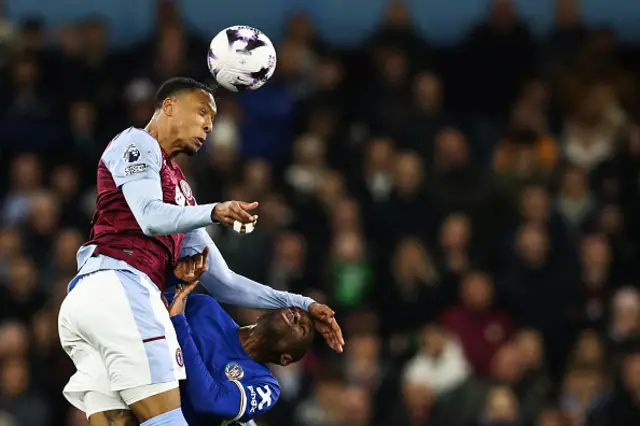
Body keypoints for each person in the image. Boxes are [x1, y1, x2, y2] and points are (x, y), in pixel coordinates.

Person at [58, 77, 344, 426]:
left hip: (88, 303)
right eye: (202, 113)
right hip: (121, 288)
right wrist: (214, 211)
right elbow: (149, 217)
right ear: (168, 106)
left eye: (213, 120)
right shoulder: (138, 142)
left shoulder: (182, 193)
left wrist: (302, 303)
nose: (209, 125)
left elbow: (225, 282)